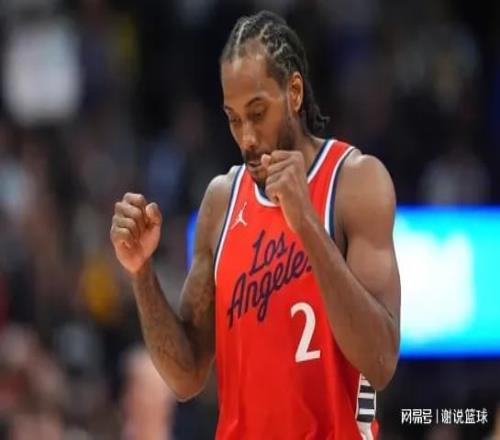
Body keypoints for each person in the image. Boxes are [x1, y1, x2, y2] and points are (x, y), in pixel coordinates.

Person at [110, 10, 400, 440]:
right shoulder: (220, 202)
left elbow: (380, 361)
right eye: (233, 118)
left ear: (294, 92)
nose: (246, 137)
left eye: (258, 112)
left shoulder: (356, 182)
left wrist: (307, 224)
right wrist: (141, 273)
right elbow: (186, 375)